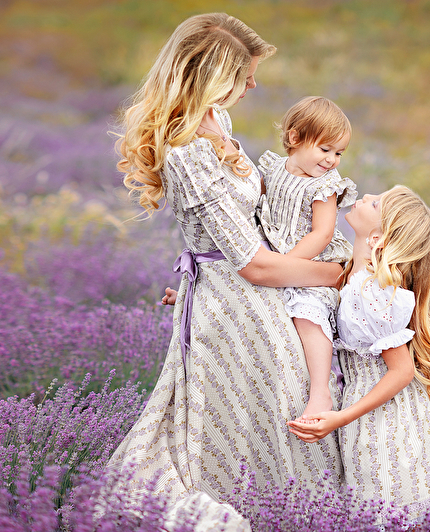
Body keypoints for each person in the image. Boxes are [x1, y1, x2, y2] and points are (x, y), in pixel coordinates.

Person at [109, 12, 345, 523]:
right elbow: (253, 265)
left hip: (254, 296)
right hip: (235, 313)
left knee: (281, 424)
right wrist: (341, 276)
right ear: (212, 75)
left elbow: (241, 229)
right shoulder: (186, 150)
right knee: (245, 434)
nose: (253, 86)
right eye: (245, 76)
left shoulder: (217, 119)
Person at [287, 186, 430, 524]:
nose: (366, 196)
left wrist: (342, 417)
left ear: (378, 238)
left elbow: (401, 371)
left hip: (387, 423)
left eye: (376, 203)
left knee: (387, 514)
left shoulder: (373, 291)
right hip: (369, 413)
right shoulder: (351, 276)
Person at [257, 96, 356, 421]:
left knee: (309, 314)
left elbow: (322, 234)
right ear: (295, 138)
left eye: (339, 153)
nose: (332, 160)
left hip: (312, 261)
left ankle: (320, 391)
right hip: (274, 251)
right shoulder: (273, 167)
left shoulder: (325, 186)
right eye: (325, 149)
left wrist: (287, 264)